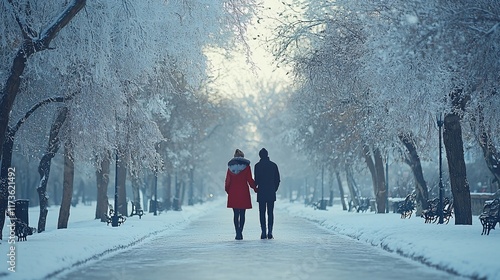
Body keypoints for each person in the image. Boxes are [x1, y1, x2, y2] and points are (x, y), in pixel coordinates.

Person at [225, 149, 257, 240]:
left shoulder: (230, 167)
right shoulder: (246, 167)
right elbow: (250, 180)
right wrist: (255, 188)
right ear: (243, 157)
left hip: (233, 192)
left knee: (235, 214)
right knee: (242, 214)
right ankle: (240, 232)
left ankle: (237, 233)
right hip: (243, 192)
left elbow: (228, 181)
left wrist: (228, 190)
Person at [254, 148, 280, 239]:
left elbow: (256, 180)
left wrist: (255, 188)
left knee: (262, 212)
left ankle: (263, 232)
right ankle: (270, 231)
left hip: (261, 192)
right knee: (270, 213)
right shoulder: (273, 165)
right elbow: (277, 180)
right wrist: (274, 189)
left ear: (260, 156)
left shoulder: (257, 166)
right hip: (271, 192)